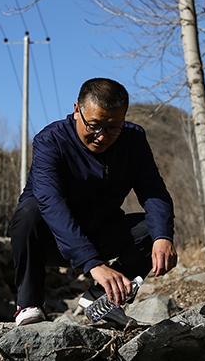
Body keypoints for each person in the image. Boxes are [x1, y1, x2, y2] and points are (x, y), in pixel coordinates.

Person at [10, 77, 177, 326]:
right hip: (52, 239)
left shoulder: (133, 140)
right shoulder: (50, 141)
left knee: (154, 227)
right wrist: (93, 264)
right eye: (94, 126)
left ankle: (102, 298)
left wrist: (164, 236)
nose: (102, 136)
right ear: (77, 110)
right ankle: (30, 304)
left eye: (113, 128)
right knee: (29, 212)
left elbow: (154, 192)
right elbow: (51, 204)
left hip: (101, 233)